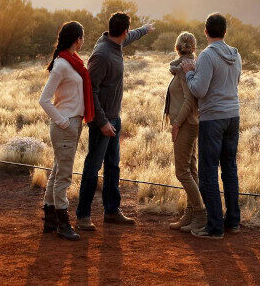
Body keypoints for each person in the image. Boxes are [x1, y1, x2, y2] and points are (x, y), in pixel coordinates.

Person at [75, 12, 153, 230]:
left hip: (113, 117)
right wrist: (102, 123)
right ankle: (83, 215)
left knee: (112, 166)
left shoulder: (115, 42)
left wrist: (145, 30)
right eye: (129, 30)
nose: (129, 34)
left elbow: (131, 37)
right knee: (93, 166)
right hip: (103, 121)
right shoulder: (102, 55)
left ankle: (111, 210)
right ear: (123, 31)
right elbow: (91, 92)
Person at [181, 13, 242, 240]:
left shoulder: (207, 56)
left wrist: (189, 74)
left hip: (213, 118)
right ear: (225, 32)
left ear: (206, 32)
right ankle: (233, 221)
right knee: (229, 169)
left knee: (208, 172)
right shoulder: (236, 55)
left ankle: (214, 227)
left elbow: (199, 90)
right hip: (233, 116)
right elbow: (234, 83)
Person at [38, 21, 94, 241]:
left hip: (71, 123)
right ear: (77, 39)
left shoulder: (72, 62)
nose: (83, 40)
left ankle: (50, 219)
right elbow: (44, 100)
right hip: (66, 125)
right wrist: (63, 122)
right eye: (82, 37)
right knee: (64, 176)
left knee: (56, 172)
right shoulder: (62, 64)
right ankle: (62, 223)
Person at [164, 31, 206, 232]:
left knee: (182, 171)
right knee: (191, 169)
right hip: (191, 122)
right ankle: (190, 215)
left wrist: (177, 123)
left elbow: (189, 99)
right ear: (194, 47)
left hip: (186, 123)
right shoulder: (192, 65)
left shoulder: (182, 68)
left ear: (176, 47)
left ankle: (200, 213)